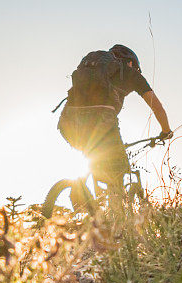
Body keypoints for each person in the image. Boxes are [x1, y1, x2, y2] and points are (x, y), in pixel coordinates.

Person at [57, 44, 172, 198]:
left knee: (97, 158)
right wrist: (166, 131)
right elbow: (157, 108)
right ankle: (116, 211)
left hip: (68, 122)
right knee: (119, 169)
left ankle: (85, 200)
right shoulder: (131, 74)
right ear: (130, 63)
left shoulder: (93, 70)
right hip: (101, 121)